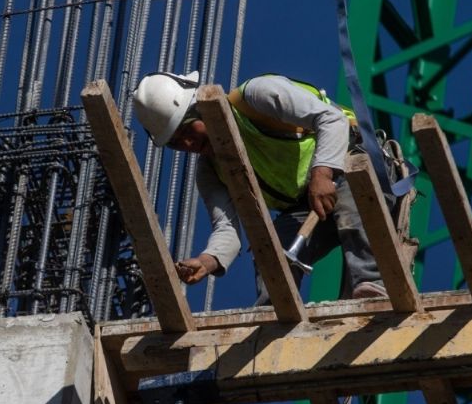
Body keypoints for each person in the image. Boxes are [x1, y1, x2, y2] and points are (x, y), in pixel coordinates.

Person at [132, 71, 390, 304]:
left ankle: (373, 285)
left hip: (351, 163)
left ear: (200, 109)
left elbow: (332, 119)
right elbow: (227, 228)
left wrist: (322, 174)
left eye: (187, 130)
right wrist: (207, 260)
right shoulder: (211, 170)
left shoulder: (256, 97)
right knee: (271, 247)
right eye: (176, 143)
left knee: (354, 207)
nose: (187, 143)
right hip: (306, 203)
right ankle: (276, 311)